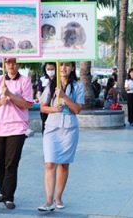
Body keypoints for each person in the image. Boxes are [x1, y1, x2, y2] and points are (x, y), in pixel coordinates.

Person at [38, 62, 84, 212]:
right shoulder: (50, 85)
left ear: (72, 68)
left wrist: (64, 97)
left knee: (64, 164)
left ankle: (58, 197)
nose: (64, 68)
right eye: (61, 65)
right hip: (52, 128)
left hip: (70, 129)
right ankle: (48, 200)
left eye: (67, 65)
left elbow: (77, 109)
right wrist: (53, 108)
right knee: (49, 163)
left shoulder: (78, 86)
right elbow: (43, 107)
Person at [0, 58, 33, 209]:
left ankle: (9, 196)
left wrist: (10, 95)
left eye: (14, 62)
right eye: (8, 63)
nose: (11, 65)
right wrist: (1, 101)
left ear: (18, 64)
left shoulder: (25, 81)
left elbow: (27, 104)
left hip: (17, 127)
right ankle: (3, 190)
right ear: (4, 64)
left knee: (11, 163)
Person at [37, 62, 56, 134]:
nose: (50, 71)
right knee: (44, 124)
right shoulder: (42, 79)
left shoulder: (59, 79)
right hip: (45, 106)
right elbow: (39, 92)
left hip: (55, 106)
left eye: (52, 69)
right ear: (45, 69)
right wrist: (40, 99)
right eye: (48, 69)